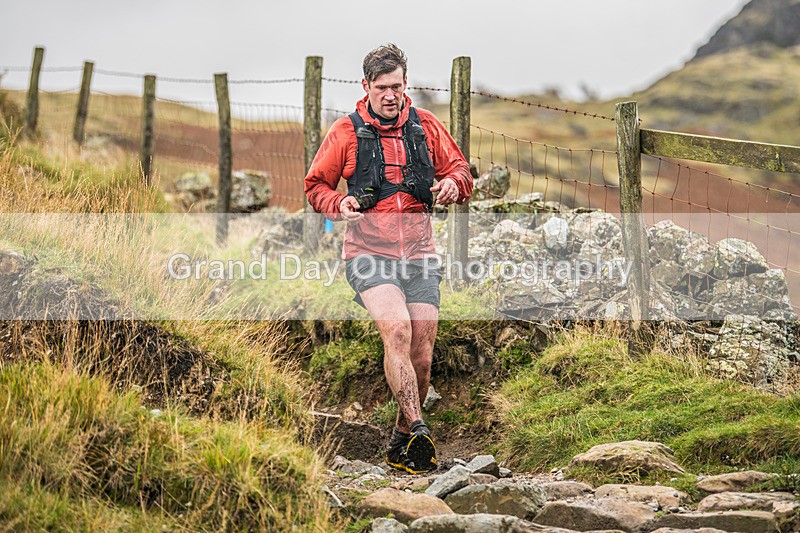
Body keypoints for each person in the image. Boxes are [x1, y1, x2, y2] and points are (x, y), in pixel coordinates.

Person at [304, 44, 473, 474]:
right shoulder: (345, 132)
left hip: (420, 255)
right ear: (366, 86)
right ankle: (419, 426)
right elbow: (315, 185)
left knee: (423, 355)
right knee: (396, 330)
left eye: (397, 86)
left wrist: (454, 184)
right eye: (382, 88)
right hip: (368, 254)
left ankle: (402, 443)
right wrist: (337, 204)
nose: (391, 95)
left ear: (405, 83)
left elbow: (462, 171)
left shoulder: (426, 126)